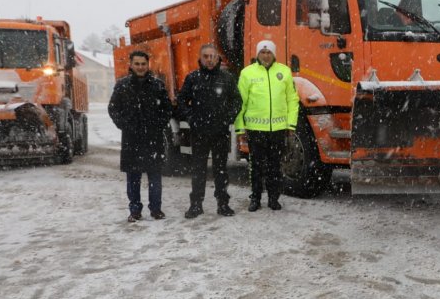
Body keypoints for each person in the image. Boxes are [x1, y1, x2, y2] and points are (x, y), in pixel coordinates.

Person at [176, 44, 242, 218]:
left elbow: (237, 101)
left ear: (218, 58)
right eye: (206, 56)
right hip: (199, 133)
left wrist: (227, 119)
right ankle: (196, 205)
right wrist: (192, 119)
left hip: (220, 133)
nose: (210, 59)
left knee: (221, 170)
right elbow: (181, 101)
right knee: (199, 170)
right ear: (201, 58)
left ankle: (223, 204)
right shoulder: (193, 78)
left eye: (213, 56)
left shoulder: (226, 78)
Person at [108, 50, 173, 223]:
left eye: (143, 64)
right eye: (137, 64)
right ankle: (135, 210)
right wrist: (124, 125)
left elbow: (167, 109)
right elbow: (113, 109)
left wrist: (158, 125)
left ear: (148, 64)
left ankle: (156, 209)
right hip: (131, 139)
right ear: (130, 65)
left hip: (154, 138)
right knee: (133, 178)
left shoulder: (157, 85)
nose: (140, 67)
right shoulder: (122, 85)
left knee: (155, 177)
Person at [234, 40, 299, 212]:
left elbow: (292, 100)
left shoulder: (284, 72)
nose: (265, 55)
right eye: (262, 52)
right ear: (257, 54)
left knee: (275, 166)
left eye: (268, 52)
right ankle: (255, 198)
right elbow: (240, 103)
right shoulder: (247, 73)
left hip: (278, 130)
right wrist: (240, 128)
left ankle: (273, 198)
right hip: (255, 131)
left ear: (274, 54)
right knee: (256, 166)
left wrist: (291, 125)